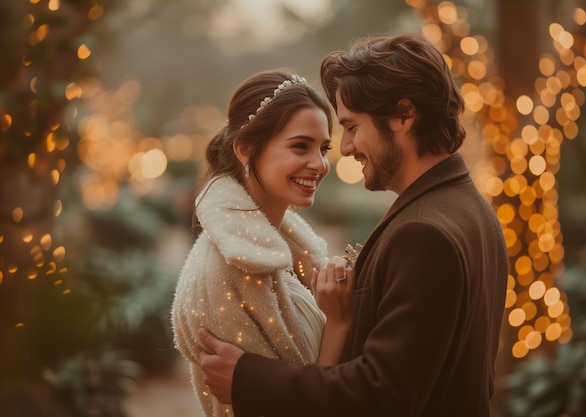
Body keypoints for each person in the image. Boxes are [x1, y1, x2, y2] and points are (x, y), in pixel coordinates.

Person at [196, 33, 510, 417]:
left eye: (352, 127)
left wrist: (248, 378)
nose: (345, 149)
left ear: (404, 116)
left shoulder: (424, 232)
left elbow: (382, 394)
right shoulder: (473, 211)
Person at [170, 69, 354, 417]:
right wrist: (339, 324)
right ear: (246, 148)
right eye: (300, 146)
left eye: (324, 148)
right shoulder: (227, 272)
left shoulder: (287, 253)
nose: (319, 164)